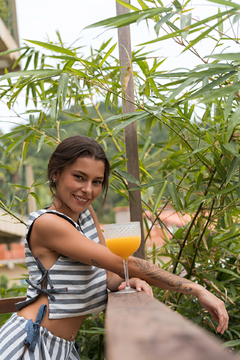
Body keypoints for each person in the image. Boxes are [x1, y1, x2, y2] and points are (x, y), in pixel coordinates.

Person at [0, 135, 228, 360]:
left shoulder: (86, 215)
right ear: (56, 174)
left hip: (63, 348)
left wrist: (126, 281)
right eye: (79, 177)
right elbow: (122, 262)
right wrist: (197, 289)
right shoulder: (48, 223)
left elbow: (109, 274)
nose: (88, 190)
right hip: (31, 344)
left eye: (97, 182)